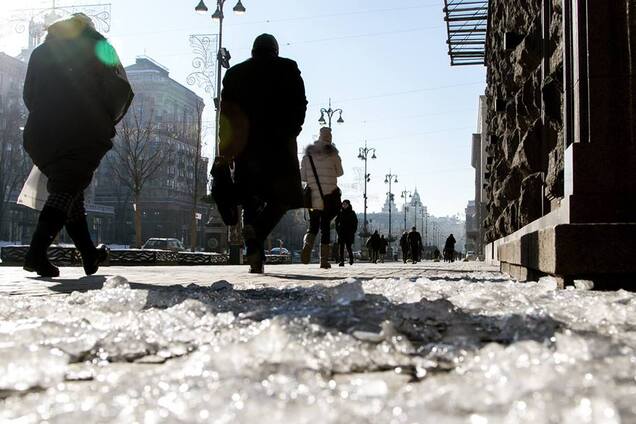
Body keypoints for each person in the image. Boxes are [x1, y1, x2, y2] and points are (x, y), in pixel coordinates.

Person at [22, 14, 133, 277]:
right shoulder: (99, 47)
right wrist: (104, 118)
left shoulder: (41, 51)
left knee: (70, 191)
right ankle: (35, 253)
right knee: (65, 190)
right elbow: (119, 90)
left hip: (40, 134)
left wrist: (46, 115)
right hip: (83, 131)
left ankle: (89, 254)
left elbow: (29, 94)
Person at [219, 34, 307, 273]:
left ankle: (254, 251)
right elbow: (300, 103)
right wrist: (292, 130)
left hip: (245, 147)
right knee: (284, 197)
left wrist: (224, 149)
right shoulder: (287, 68)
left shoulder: (235, 73)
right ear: (275, 50)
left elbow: (225, 115)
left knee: (250, 199)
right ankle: (257, 232)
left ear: (253, 50)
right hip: (279, 145)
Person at [300, 127, 343, 269]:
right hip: (329, 198)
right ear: (329, 138)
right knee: (325, 227)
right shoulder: (333, 154)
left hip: (312, 197)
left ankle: (307, 244)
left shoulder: (307, 155)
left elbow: (303, 177)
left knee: (313, 226)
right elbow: (340, 173)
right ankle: (323, 261)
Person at [335, 199, 358, 266]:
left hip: (349, 233)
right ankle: (341, 261)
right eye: (343, 204)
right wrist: (338, 230)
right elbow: (336, 222)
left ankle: (351, 259)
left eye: (345, 204)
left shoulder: (352, 213)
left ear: (348, 205)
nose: (344, 205)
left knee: (348, 247)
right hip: (341, 232)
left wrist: (353, 231)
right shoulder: (340, 212)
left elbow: (355, 223)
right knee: (341, 247)